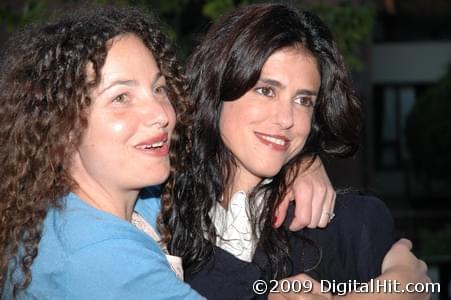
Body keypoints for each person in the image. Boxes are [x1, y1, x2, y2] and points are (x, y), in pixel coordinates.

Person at [0, 5, 341, 299]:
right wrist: (393, 280)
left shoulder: (116, 205)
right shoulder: (104, 260)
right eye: (121, 98)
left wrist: (301, 162)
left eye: (159, 88)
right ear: (62, 125)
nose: (163, 114)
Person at [161, 3, 431, 300]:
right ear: (217, 89)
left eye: (303, 100)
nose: (287, 119)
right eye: (266, 90)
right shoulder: (160, 219)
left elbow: (420, 286)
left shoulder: (352, 225)